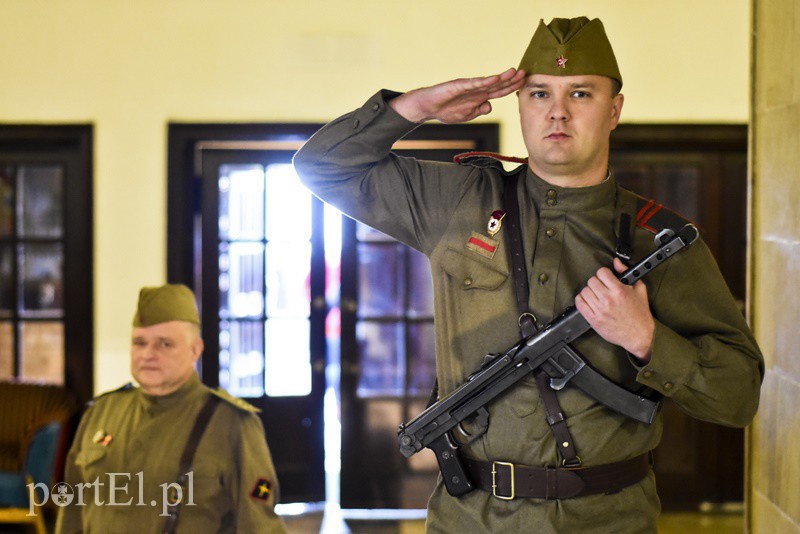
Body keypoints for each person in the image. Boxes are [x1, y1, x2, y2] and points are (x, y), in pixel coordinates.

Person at [293, 16, 764, 533]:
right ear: (519, 104)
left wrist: (647, 337)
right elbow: (321, 167)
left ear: (615, 110)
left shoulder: (661, 242)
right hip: (472, 518)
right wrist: (418, 108)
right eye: (539, 93)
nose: (557, 112)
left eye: (580, 94)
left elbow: (739, 396)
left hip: (608, 521)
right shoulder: (458, 202)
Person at [56, 284, 286, 533]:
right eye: (139, 342)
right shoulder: (101, 413)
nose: (147, 354)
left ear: (195, 350)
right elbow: (71, 512)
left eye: (164, 344)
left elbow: (259, 526)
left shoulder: (231, 424)